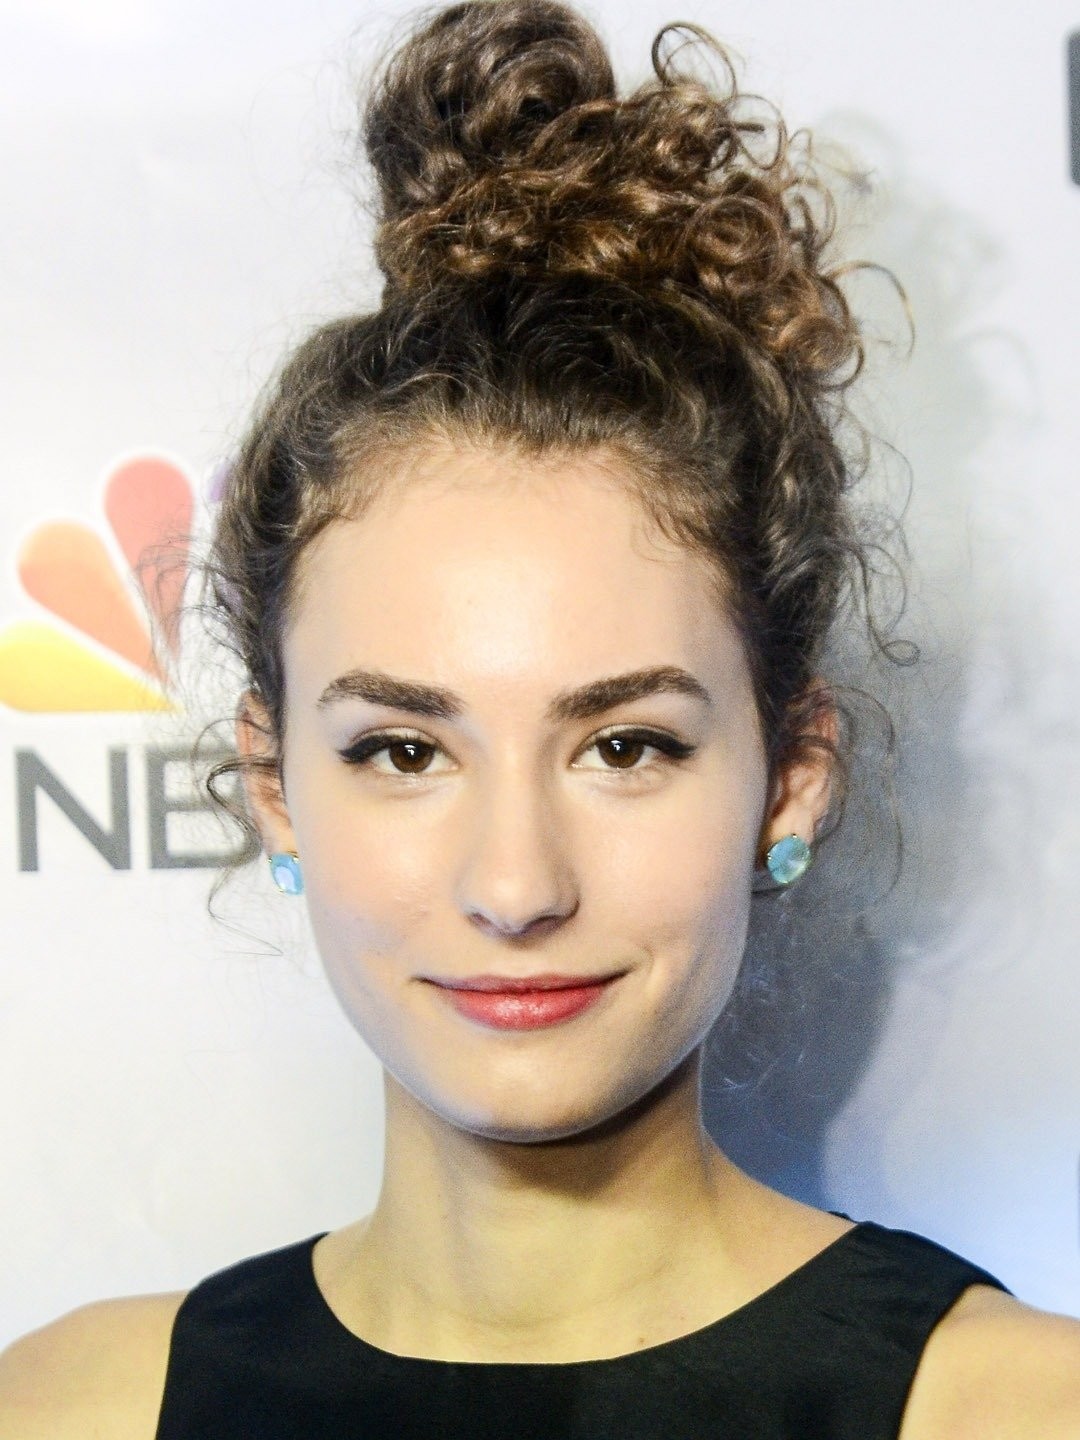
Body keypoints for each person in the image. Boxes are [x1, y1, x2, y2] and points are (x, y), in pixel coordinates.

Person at [2, 1, 1079, 1435]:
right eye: (403, 751)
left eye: (624, 746)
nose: (515, 888)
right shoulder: (78, 1406)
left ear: (791, 777)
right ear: (273, 786)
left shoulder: (1019, 1408)